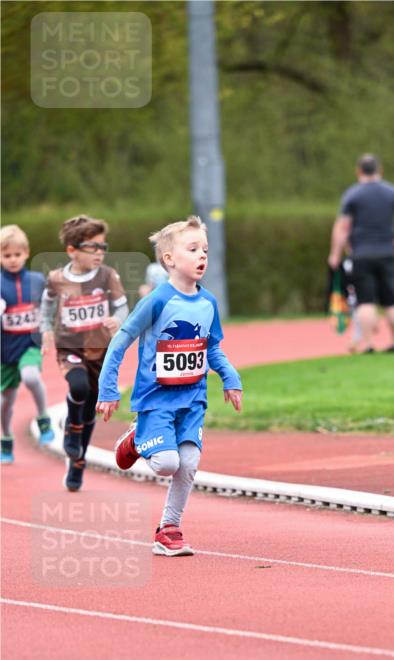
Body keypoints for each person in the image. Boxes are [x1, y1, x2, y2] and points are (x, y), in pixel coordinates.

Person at [96, 216, 243, 557]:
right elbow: (121, 340)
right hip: (156, 399)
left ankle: (169, 529)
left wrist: (230, 377)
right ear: (169, 260)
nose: (201, 256)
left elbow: (212, 347)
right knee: (166, 463)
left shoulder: (208, 303)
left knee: (188, 463)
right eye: (192, 249)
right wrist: (108, 389)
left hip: (192, 399)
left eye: (204, 249)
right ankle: (137, 437)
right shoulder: (158, 300)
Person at [40, 215, 128, 491]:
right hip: (70, 347)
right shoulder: (56, 279)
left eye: (103, 246)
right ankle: (70, 427)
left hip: (100, 351)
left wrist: (118, 320)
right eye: (93, 247)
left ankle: (78, 461)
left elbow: (123, 307)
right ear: (72, 250)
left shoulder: (108, 276)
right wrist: (45, 329)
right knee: (77, 387)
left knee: (90, 407)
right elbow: (46, 309)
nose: (100, 253)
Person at [328, 153, 394, 353]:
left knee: (365, 301)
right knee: (392, 301)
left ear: (358, 171)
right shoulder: (392, 192)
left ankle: (368, 345)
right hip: (387, 252)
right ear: (380, 170)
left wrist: (335, 254)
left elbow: (343, 227)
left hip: (360, 253)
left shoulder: (353, 194)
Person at [1, 225, 54, 464]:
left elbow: (49, 307)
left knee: (31, 376)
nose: (12, 260)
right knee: (5, 402)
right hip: (5, 350)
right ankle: (6, 439)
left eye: (17, 254)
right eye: (6, 255)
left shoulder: (37, 280)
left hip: (29, 344)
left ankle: (44, 419)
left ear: (26, 253)